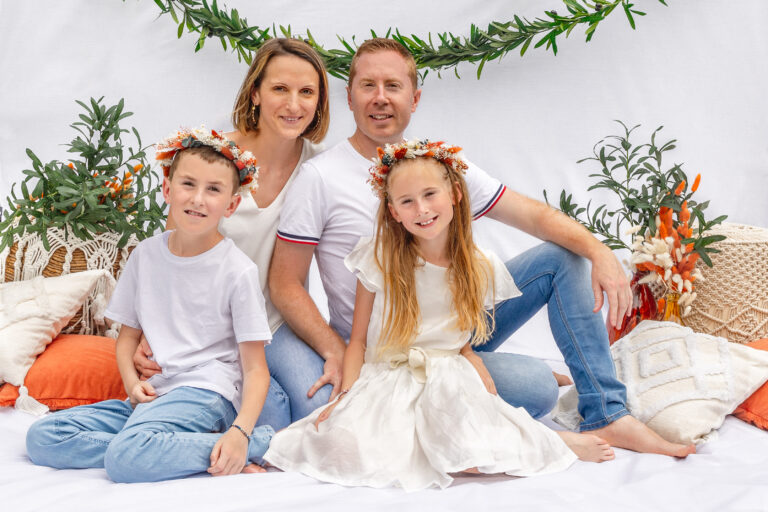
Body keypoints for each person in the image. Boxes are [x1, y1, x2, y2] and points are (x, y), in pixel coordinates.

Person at [269, 38, 695, 456]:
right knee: (537, 388)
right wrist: (337, 352)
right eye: (368, 86)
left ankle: (607, 412)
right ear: (349, 96)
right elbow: (285, 283)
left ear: (414, 98)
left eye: (393, 86)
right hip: (390, 346)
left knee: (561, 258)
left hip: (452, 326)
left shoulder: (441, 168)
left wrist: (599, 251)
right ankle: (511, 400)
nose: (381, 99)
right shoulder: (320, 177)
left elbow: (532, 216)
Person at [264, 140, 615, 491]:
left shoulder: (477, 266)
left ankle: (553, 441)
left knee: (470, 449)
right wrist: (344, 398)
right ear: (393, 212)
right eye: (406, 201)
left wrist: (475, 367)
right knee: (343, 447)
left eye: (430, 195)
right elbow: (357, 340)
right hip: (390, 372)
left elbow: (460, 339)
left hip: (448, 371)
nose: (422, 209)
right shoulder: (378, 259)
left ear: (456, 196)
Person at [26, 128, 275, 482]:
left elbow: (255, 369)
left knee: (125, 460)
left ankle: (246, 446)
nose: (198, 199)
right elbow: (127, 337)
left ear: (232, 204)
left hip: (205, 393)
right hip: (154, 395)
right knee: (42, 438)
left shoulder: (237, 271)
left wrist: (242, 431)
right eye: (188, 184)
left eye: (214, 189)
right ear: (167, 189)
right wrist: (131, 382)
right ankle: (157, 444)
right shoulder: (146, 255)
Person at [132, 38, 330, 430]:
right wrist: (147, 329)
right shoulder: (213, 159)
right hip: (207, 331)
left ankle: (254, 398)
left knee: (319, 411)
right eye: (279, 89)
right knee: (266, 418)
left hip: (275, 324)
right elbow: (172, 254)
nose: (294, 105)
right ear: (255, 92)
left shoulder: (319, 170)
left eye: (307, 92)